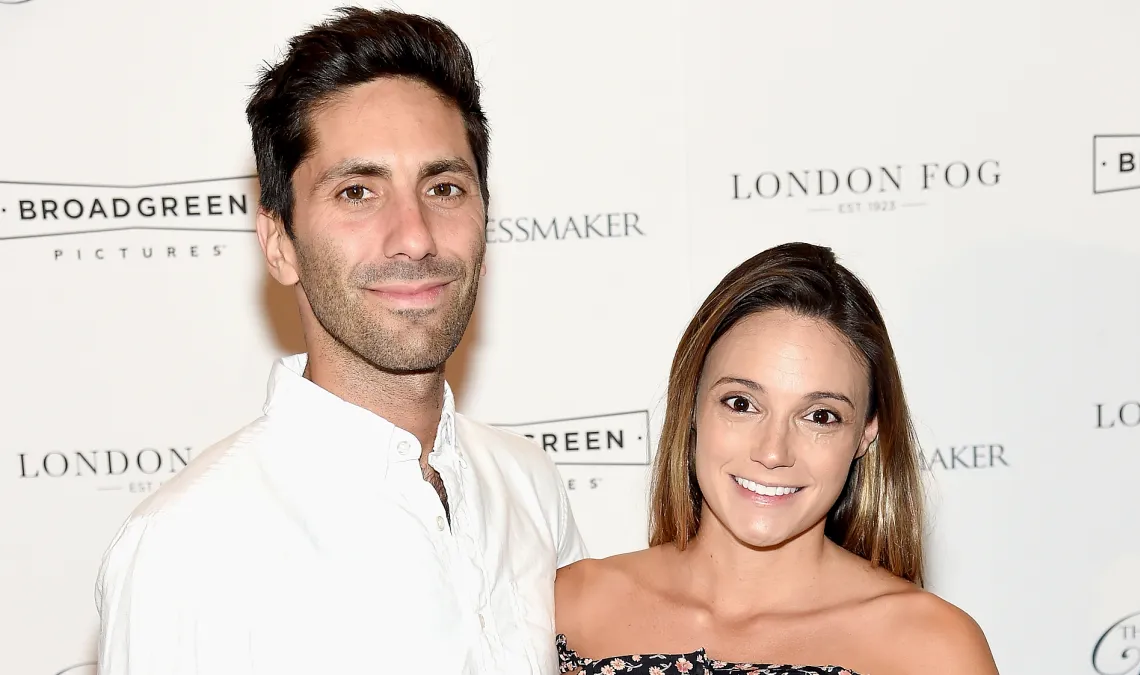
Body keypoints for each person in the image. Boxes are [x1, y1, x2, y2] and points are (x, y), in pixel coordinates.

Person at [94, 8, 586, 675]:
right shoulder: (187, 545)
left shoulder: (528, 484)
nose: (414, 235)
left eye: (444, 187)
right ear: (279, 243)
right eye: (357, 191)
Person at [554, 243, 999, 675]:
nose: (772, 452)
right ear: (690, 406)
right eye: (742, 404)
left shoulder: (934, 648)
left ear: (866, 433)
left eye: (820, 416)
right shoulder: (571, 607)